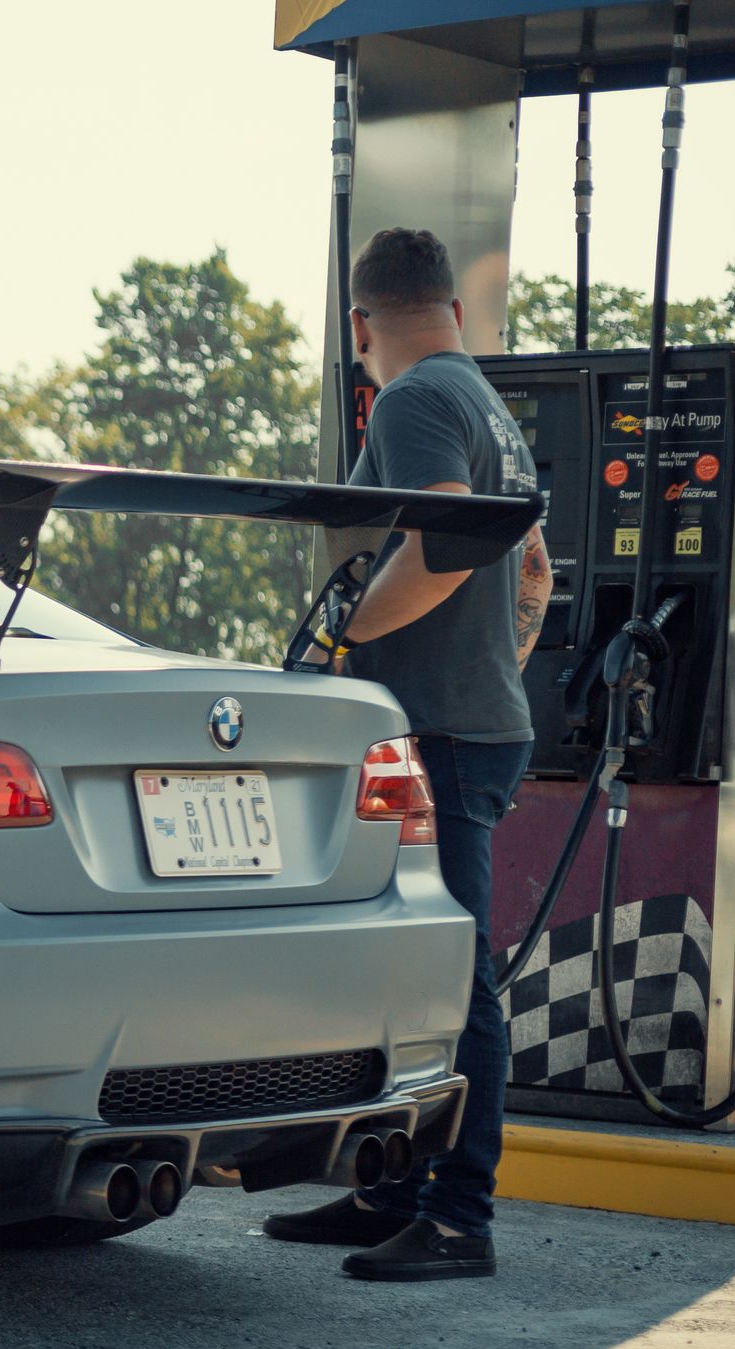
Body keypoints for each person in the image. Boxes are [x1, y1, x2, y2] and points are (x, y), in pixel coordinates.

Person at [263, 227, 554, 1282]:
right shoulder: (486, 405)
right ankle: (390, 1189)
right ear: (455, 310)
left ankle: (460, 1217)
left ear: (359, 326)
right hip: (474, 719)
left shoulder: (419, 400)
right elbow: (534, 569)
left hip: (442, 733)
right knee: (399, 966)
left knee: (453, 978)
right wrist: (495, 668)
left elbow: (439, 547)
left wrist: (348, 641)